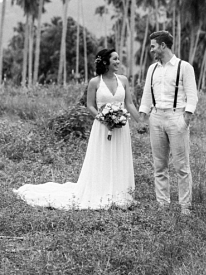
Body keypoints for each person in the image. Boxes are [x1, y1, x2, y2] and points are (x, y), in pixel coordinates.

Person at [13, 48, 142, 209]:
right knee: (103, 157)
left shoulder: (123, 80)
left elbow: (129, 104)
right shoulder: (95, 82)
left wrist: (140, 121)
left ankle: (121, 193)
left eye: (118, 59)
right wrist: (104, 118)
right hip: (102, 127)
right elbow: (90, 105)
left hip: (121, 127)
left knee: (119, 157)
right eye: (114, 59)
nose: (118, 62)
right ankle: (100, 191)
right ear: (105, 62)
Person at [139, 30, 198, 214]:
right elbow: (147, 95)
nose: (151, 50)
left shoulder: (184, 67)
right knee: (159, 165)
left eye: (153, 46)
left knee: (181, 165)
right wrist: (143, 116)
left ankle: (185, 206)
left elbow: (192, 95)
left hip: (176, 117)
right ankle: (163, 205)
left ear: (163, 46)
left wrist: (186, 119)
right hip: (156, 117)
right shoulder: (152, 69)